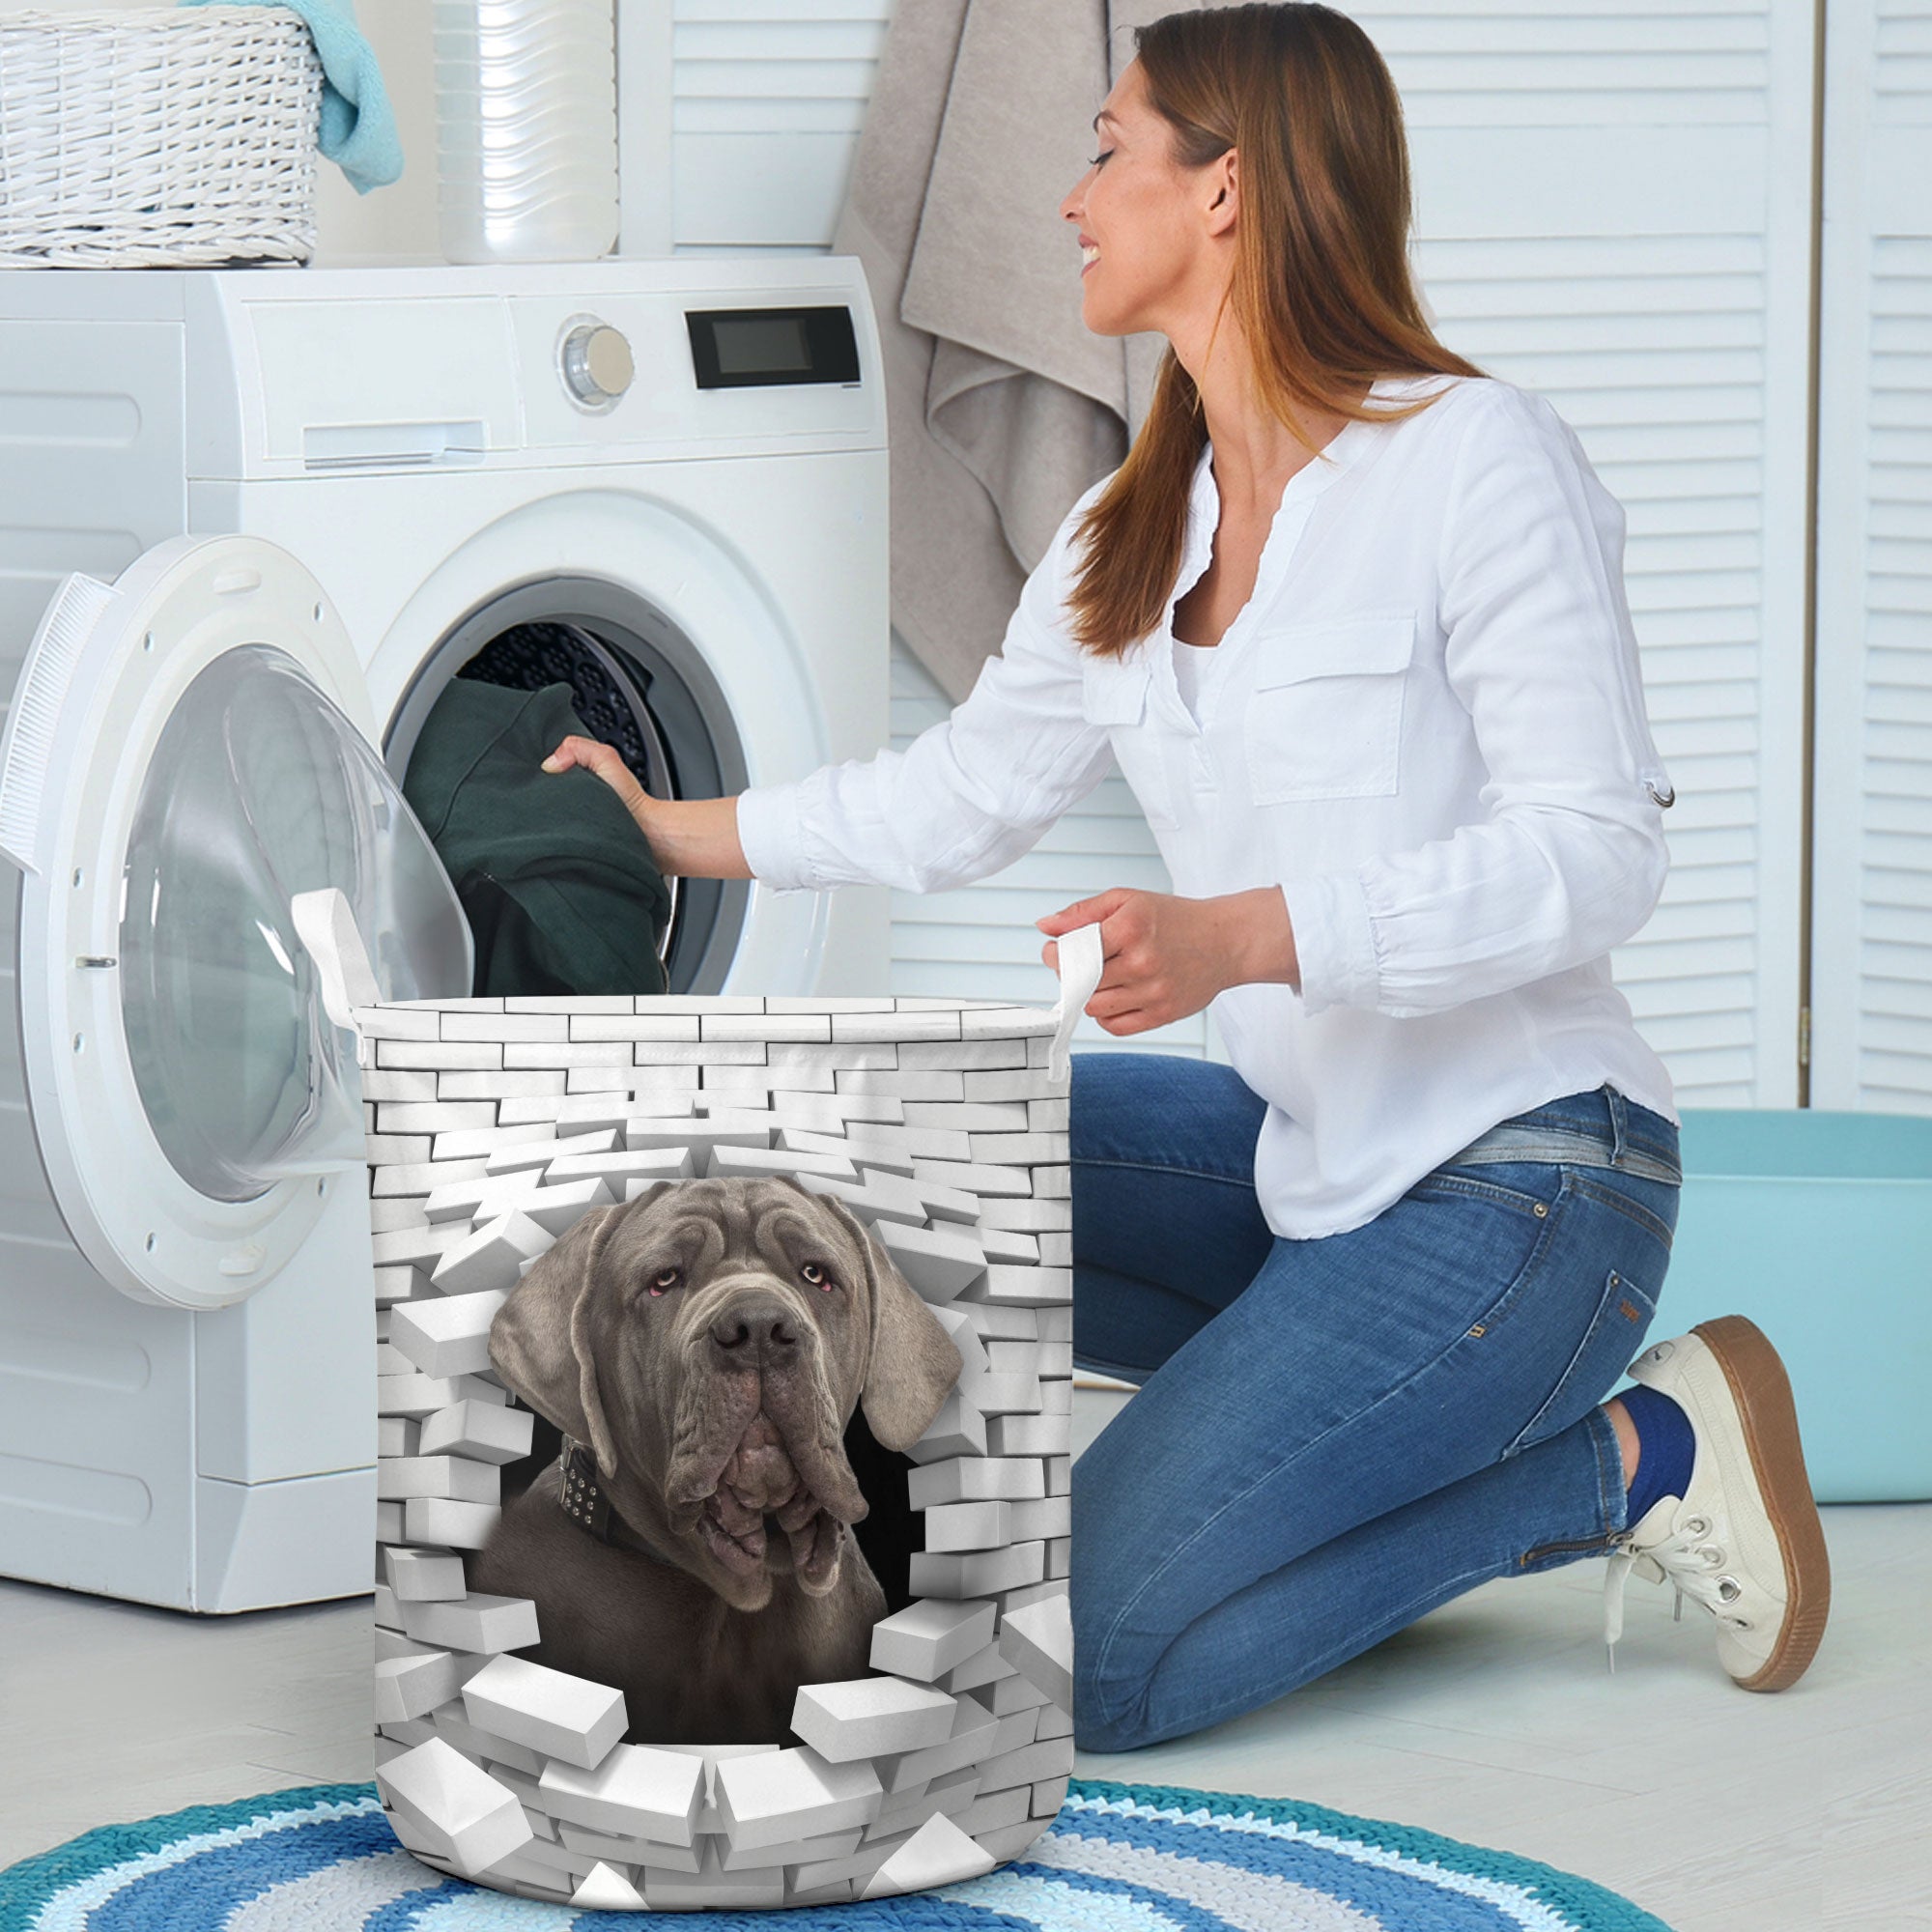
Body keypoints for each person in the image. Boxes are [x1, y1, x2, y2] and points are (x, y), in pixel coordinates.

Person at [541, 0, 1831, 1754]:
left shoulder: (1473, 458)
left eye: (1107, 152)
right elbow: (960, 797)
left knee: (1086, 1661)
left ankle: (1634, 1461)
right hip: (1310, 1167)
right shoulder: (1129, 531)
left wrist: (1247, 939)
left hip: (1530, 1183)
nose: (1072, 200)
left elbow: (1598, 854)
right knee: (875, 1169)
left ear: (1225, 190)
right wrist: (675, 825)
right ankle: (1182, 1470)